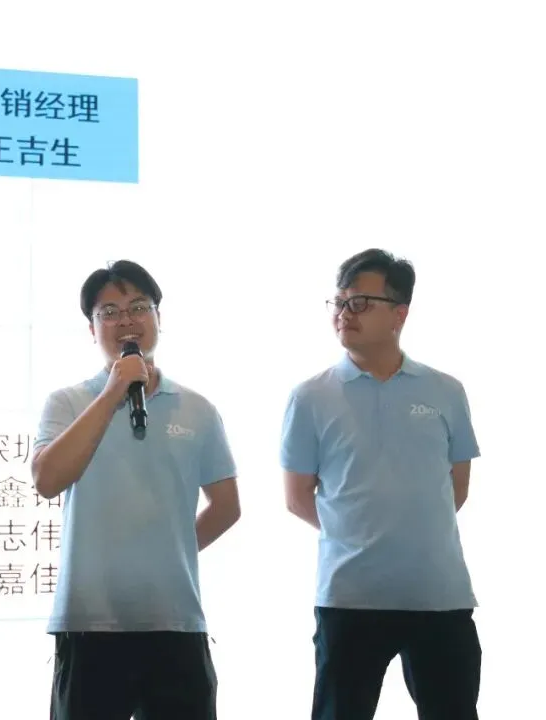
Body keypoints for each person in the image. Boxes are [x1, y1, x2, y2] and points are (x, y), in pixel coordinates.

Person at [32, 260, 242, 720]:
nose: (125, 320)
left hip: (175, 621)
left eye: (138, 307)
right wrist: (113, 393)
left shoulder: (198, 409)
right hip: (89, 623)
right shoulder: (67, 402)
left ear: (159, 318)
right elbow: (47, 480)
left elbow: (226, 507)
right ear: (92, 329)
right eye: (109, 312)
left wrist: (168, 548)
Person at [280, 249, 482, 720]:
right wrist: (359, 532)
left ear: (399, 313)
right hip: (350, 597)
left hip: (439, 595)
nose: (344, 314)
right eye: (339, 302)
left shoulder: (445, 391)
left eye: (360, 303)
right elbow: (296, 498)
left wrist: (406, 529)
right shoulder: (310, 396)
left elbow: (456, 489)